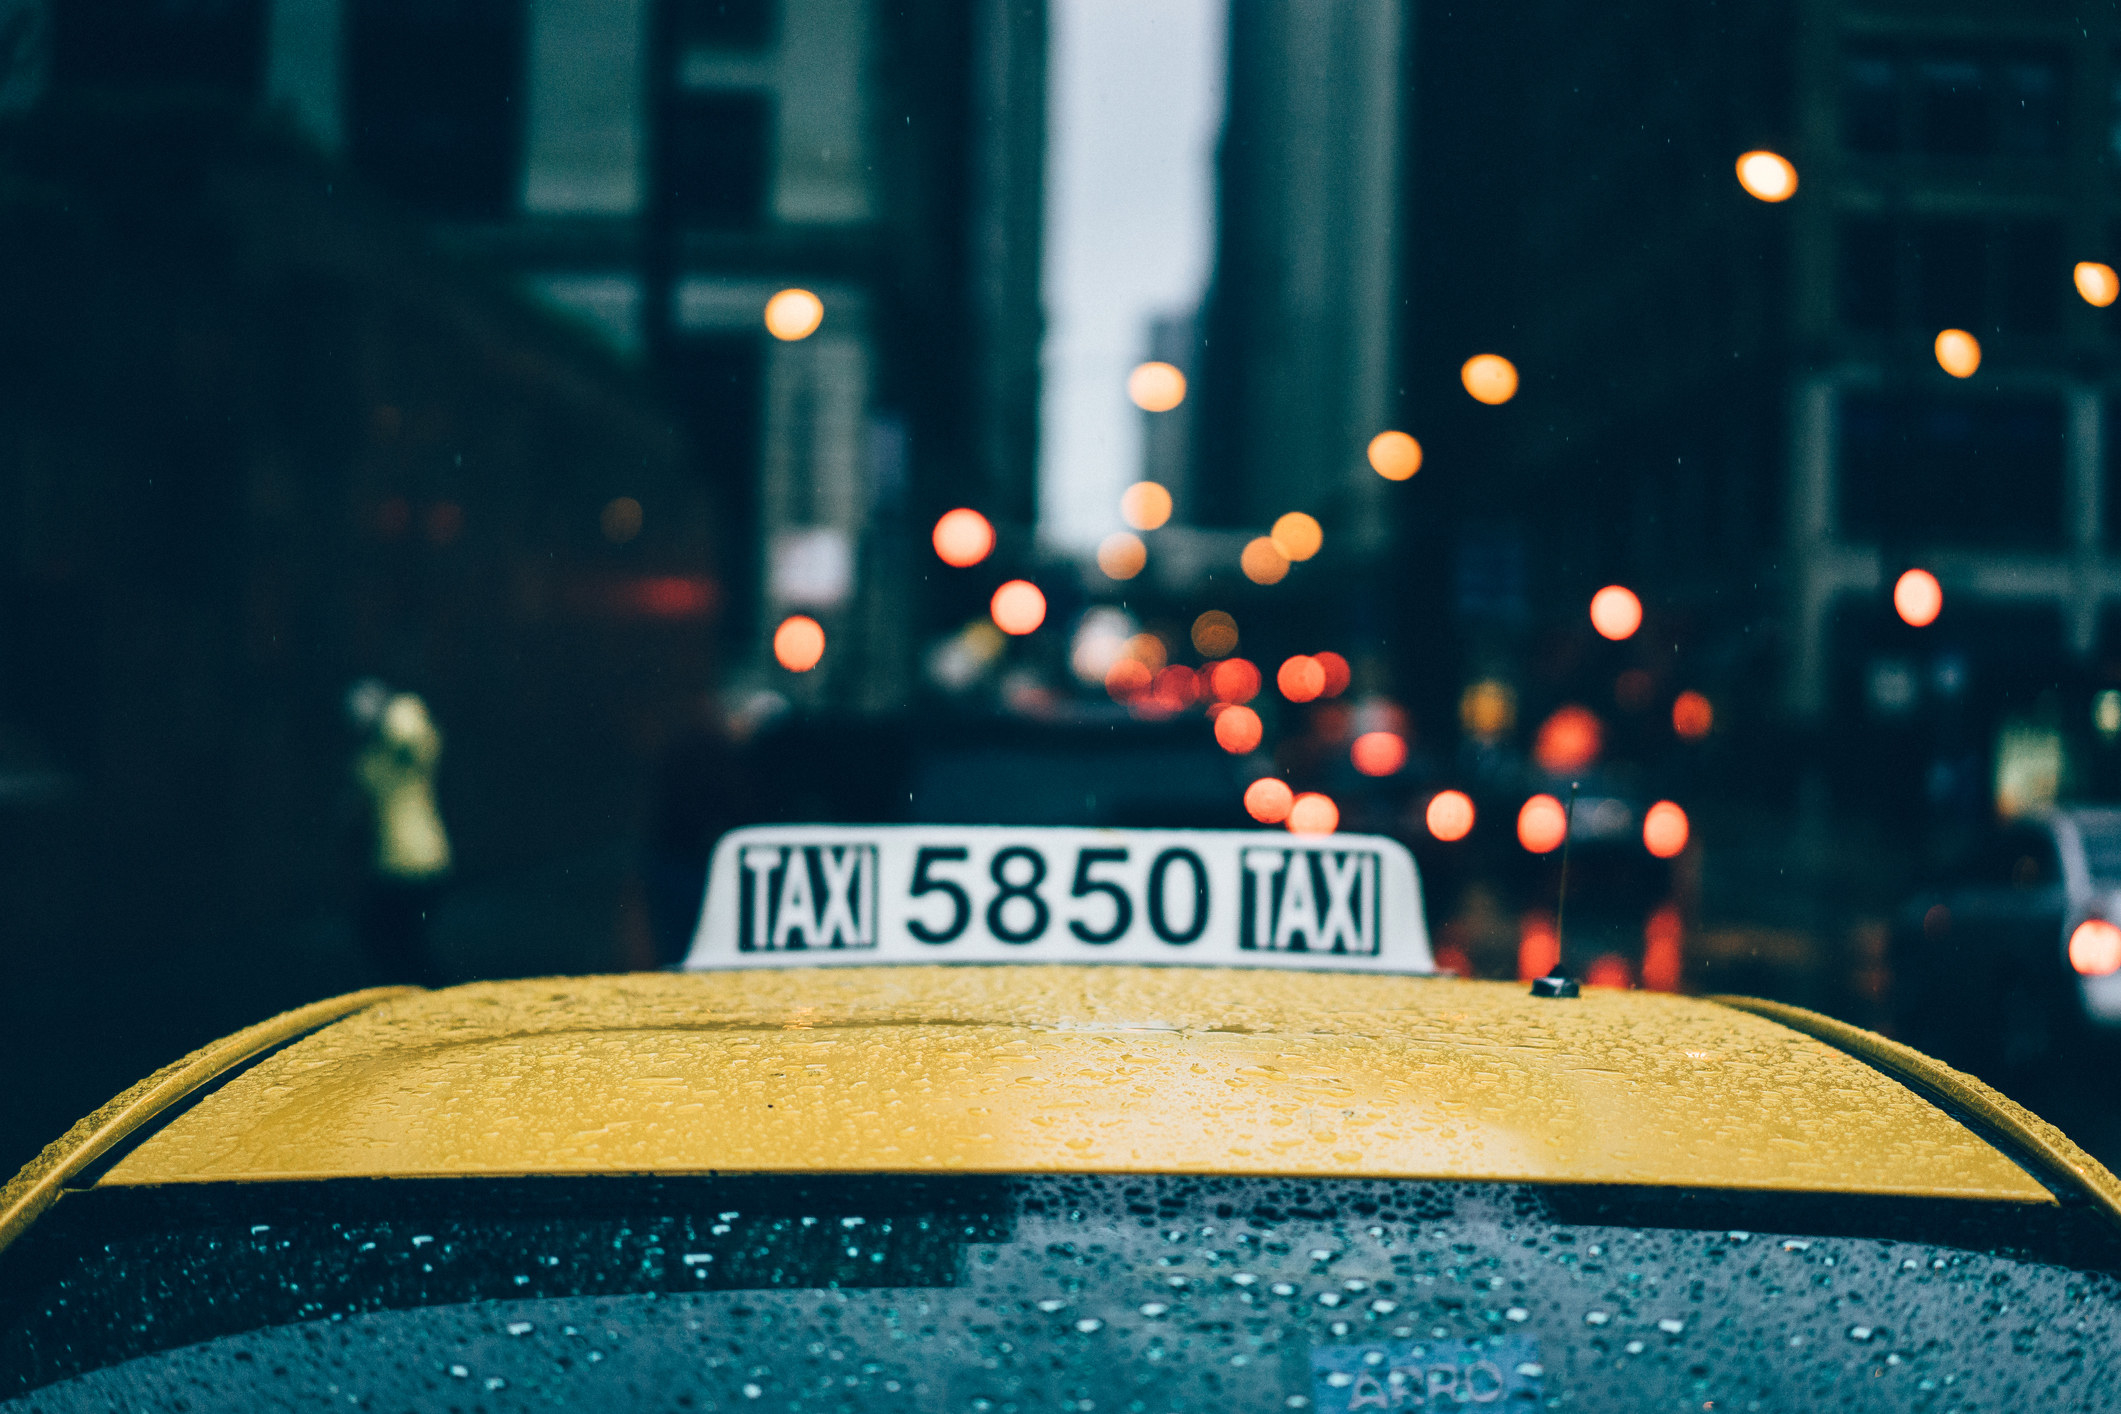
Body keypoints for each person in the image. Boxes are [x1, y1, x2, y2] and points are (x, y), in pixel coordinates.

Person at [350, 687, 452, 986]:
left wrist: (388, 713)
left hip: (411, 864)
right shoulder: (372, 763)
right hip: (399, 865)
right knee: (401, 948)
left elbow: (411, 730)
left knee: (404, 949)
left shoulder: (400, 756)